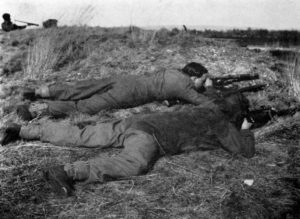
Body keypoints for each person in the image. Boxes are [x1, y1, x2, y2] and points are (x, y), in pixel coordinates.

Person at [0, 80, 255, 196]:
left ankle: (23, 131)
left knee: (83, 134)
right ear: (233, 113)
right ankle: (67, 172)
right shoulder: (221, 123)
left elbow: (209, 96)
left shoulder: (203, 108)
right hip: (150, 137)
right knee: (134, 164)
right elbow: (244, 151)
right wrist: (244, 129)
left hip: (136, 122)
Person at [17, 62, 210, 120]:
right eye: (203, 79)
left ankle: (38, 92)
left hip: (125, 79)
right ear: (194, 77)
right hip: (131, 93)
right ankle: (36, 111)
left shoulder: (173, 71)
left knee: (81, 88)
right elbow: (204, 103)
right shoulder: (185, 86)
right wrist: (208, 89)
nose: (204, 82)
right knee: (86, 106)